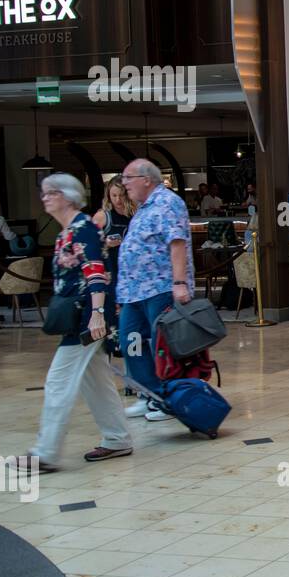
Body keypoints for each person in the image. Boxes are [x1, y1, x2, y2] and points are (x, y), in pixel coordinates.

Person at [13, 174, 132, 473]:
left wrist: (96, 315)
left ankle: (46, 452)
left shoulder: (82, 229)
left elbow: (96, 273)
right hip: (82, 317)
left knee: (58, 381)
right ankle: (117, 438)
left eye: (51, 192)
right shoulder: (68, 231)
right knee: (97, 381)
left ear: (67, 196)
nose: (45, 197)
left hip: (87, 319)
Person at [117, 159, 194, 422]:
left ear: (146, 179)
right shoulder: (143, 207)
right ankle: (149, 393)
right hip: (133, 292)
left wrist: (180, 282)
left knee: (164, 345)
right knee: (131, 342)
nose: (124, 183)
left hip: (160, 288)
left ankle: (168, 399)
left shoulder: (167, 203)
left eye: (128, 177)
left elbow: (177, 243)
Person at [92, 177, 133, 298]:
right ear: (108, 196)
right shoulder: (102, 216)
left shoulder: (135, 215)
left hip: (130, 271)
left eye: (121, 195)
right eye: (114, 195)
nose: (118, 200)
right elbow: (87, 245)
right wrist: (105, 243)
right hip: (110, 270)